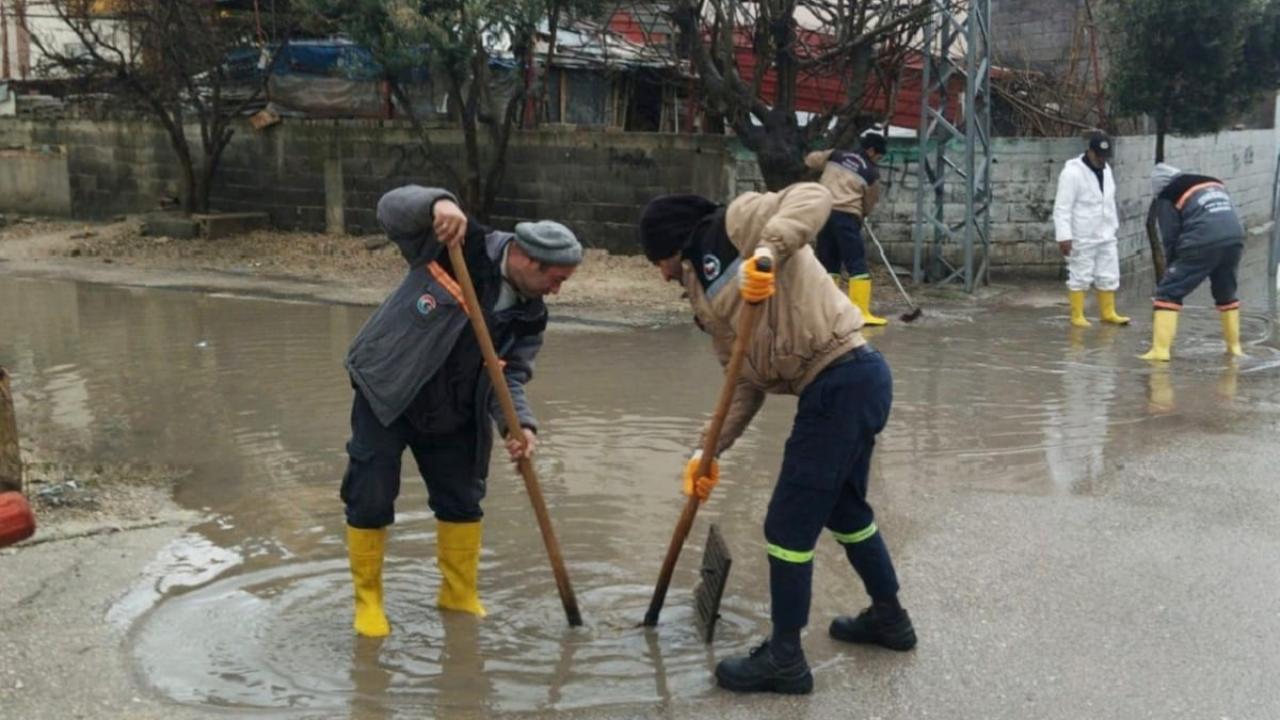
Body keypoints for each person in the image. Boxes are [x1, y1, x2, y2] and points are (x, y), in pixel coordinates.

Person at [638, 186, 915, 696]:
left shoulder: (738, 223)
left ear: (673, 245)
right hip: (843, 385)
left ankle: (786, 658)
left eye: (658, 260)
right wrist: (706, 452)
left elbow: (814, 197)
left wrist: (767, 252)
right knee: (845, 512)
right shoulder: (702, 297)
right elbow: (741, 383)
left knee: (786, 526)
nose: (660, 274)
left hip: (843, 373)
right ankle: (889, 619)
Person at [341, 185, 582, 637]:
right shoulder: (458, 244)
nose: (558, 288)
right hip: (390, 390)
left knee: (463, 500)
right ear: (530, 261)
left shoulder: (531, 315)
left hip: (455, 406)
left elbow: (508, 377)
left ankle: (458, 595)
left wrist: (520, 424)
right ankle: (368, 603)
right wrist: (438, 204)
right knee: (370, 493)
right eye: (557, 278)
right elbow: (389, 209)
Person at [1139, 163, 1247, 361]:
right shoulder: (1213, 182)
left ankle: (1160, 351)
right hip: (1235, 237)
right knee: (1226, 292)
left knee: (1168, 292)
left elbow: (1170, 236)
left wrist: (1172, 270)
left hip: (1201, 239)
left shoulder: (1169, 194)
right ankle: (1235, 347)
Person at [805, 131, 889, 325]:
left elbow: (811, 160)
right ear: (870, 151)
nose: (879, 159)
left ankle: (827, 310)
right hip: (847, 217)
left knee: (829, 263)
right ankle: (860, 313)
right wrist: (862, 215)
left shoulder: (836, 155)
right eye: (879, 155)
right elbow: (870, 202)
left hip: (824, 213)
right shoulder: (871, 172)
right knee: (856, 263)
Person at [1054, 130, 1130, 328]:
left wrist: (1113, 225)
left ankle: (1108, 312)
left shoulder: (1106, 170)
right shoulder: (1072, 173)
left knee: (1109, 272)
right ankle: (1077, 314)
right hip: (1082, 234)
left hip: (1106, 232)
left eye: (1105, 156)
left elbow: (1108, 200)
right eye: (1099, 155)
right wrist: (1064, 236)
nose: (1102, 160)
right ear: (1090, 152)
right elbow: (1062, 207)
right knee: (1080, 273)